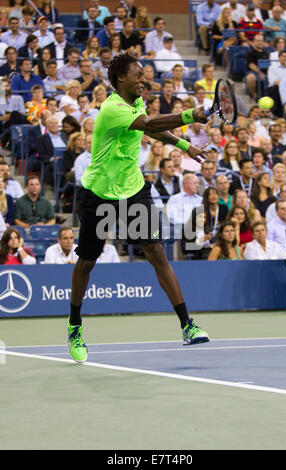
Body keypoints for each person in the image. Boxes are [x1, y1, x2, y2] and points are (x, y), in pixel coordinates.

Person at [67, 53, 210, 363]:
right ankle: (75, 325)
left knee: (156, 252)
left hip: (132, 189)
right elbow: (147, 123)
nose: (143, 79)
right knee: (87, 262)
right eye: (138, 75)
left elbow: (150, 129)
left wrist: (186, 146)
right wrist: (190, 116)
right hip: (100, 193)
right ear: (121, 79)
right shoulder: (113, 107)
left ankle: (187, 324)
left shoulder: (136, 102)